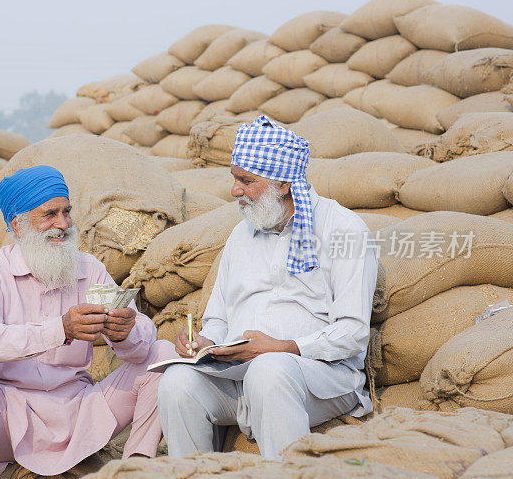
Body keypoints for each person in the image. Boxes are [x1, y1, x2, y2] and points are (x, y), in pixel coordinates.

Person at [0, 165, 174, 479]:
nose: (62, 224)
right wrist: (59, 330)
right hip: (8, 417)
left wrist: (126, 331)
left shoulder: (88, 267)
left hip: (79, 412)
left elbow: (140, 348)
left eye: (66, 212)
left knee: (162, 352)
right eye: (49, 214)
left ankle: (134, 473)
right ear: (18, 224)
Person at [157, 115, 378, 460]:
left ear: (283, 183)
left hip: (318, 377)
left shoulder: (344, 229)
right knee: (176, 383)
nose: (234, 190)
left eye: (246, 180)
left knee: (270, 368)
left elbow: (352, 333)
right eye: (234, 178)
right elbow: (217, 318)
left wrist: (282, 347)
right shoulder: (240, 235)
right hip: (239, 374)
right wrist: (206, 342)